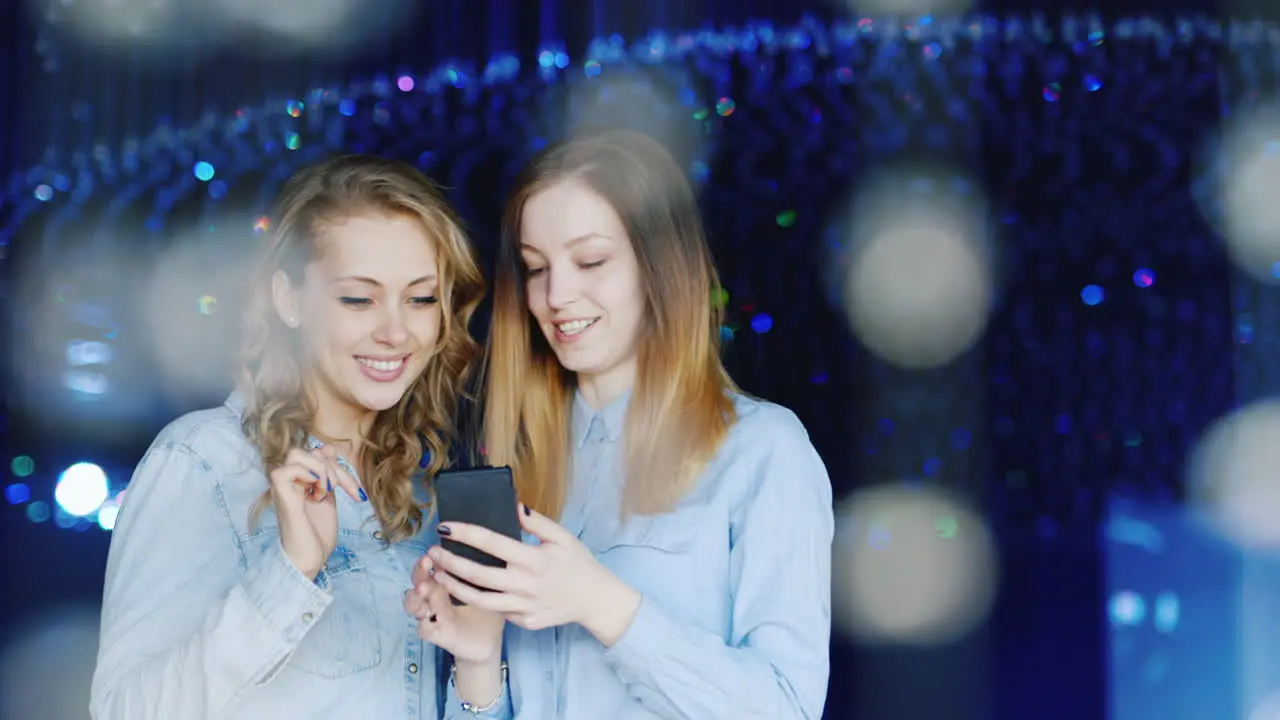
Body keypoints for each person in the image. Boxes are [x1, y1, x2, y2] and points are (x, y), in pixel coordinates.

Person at [404, 128, 834, 719]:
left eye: (591, 260)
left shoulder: (761, 451)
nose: (557, 295)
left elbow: (787, 708)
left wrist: (604, 606)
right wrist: (478, 663)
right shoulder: (510, 469)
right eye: (535, 268)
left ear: (659, 265)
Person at [90, 154, 486, 720]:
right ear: (288, 298)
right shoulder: (204, 461)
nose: (397, 331)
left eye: (421, 298)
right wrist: (291, 570)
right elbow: (123, 713)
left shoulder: (418, 492)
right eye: (358, 298)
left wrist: (478, 665)